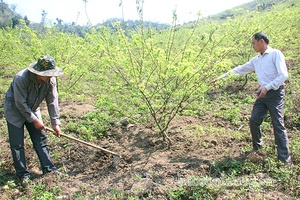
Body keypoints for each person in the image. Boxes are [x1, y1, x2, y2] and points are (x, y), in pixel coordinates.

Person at [210, 32, 292, 164]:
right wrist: (221, 78)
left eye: (253, 43)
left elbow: (283, 75)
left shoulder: (275, 54)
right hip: (262, 94)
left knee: (278, 125)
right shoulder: (257, 59)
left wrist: (267, 87)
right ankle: (258, 148)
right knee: (254, 120)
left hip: (275, 94)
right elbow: (240, 69)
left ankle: (285, 160)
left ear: (261, 41)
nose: (252, 46)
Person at [4, 55, 64, 187]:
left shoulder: (50, 81)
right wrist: (34, 120)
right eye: (48, 74)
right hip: (14, 110)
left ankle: (49, 168)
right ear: (38, 72)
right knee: (17, 145)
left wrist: (55, 123)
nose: (51, 76)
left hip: (33, 108)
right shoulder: (21, 78)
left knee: (41, 139)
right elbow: (20, 103)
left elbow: (52, 101)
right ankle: (23, 174)